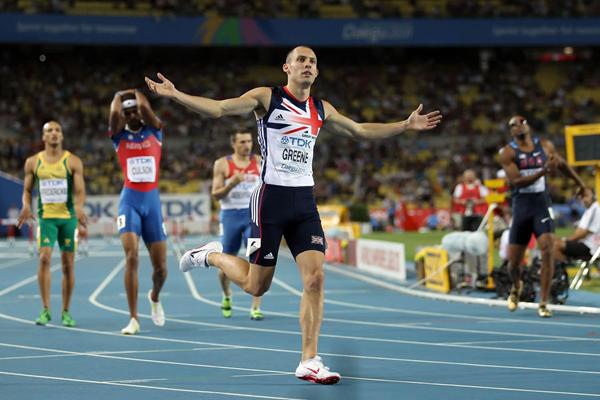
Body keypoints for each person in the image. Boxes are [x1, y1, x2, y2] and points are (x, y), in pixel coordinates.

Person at [145, 46, 442, 384]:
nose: (307, 65)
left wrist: (405, 125)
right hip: (270, 199)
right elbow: (219, 109)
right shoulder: (266, 97)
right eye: (301, 60)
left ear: (316, 72)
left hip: (304, 202)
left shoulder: (321, 108)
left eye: (312, 61)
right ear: (286, 67)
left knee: (315, 279)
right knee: (257, 286)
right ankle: (211, 255)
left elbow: (360, 130)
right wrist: (175, 94)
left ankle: (309, 360)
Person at [498, 115, 586, 318]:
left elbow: (562, 165)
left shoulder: (545, 146)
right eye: (512, 125)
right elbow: (517, 181)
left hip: (541, 205)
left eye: (521, 122)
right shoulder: (508, 152)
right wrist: (542, 172)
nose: (517, 127)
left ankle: (543, 301)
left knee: (547, 249)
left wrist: (580, 184)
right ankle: (516, 285)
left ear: (528, 125)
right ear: (511, 131)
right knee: (513, 263)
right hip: (521, 208)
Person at [109, 89, 168, 335]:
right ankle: (133, 318)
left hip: (152, 204)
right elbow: (113, 114)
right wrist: (119, 96)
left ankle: (154, 296)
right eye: (127, 112)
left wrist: (136, 94)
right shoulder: (118, 137)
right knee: (131, 257)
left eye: (135, 111)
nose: (132, 114)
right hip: (129, 202)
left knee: (161, 269)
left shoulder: (155, 131)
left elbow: (146, 110)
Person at [17, 120, 87, 327]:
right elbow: (27, 190)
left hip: (67, 219)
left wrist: (80, 206)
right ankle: (45, 310)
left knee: (67, 264)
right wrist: (26, 205)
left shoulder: (73, 161)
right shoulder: (33, 162)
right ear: (43, 137)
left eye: (57, 130)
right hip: (46, 218)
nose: (54, 133)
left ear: (62, 136)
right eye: (49, 130)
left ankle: (66, 311)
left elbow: (80, 191)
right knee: (44, 259)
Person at [212, 131, 264, 320]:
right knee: (225, 264)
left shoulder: (259, 161)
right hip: (230, 217)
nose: (247, 145)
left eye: (249, 141)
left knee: (257, 261)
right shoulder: (222, 164)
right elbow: (215, 194)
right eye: (242, 142)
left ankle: (255, 307)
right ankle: (227, 295)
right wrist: (231, 184)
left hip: (252, 217)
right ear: (233, 143)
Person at [553, 188, 600, 263]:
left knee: (555, 245)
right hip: (586, 244)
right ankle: (560, 269)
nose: (583, 199)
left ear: (594, 196)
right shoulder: (590, 210)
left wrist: (564, 239)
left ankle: (560, 271)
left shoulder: (595, 210)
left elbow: (582, 233)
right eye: (582, 196)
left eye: (586, 196)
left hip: (591, 248)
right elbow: (580, 231)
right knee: (553, 242)